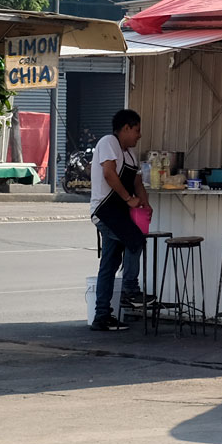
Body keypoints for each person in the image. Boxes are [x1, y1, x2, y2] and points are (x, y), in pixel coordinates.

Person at [89, 109, 150, 333]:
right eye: (136, 130)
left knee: (109, 264)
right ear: (125, 128)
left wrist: (144, 202)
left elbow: (137, 183)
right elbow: (109, 173)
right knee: (135, 241)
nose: (139, 135)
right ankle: (130, 291)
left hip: (119, 213)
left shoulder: (131, 155)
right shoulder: (108, 142)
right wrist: (128, 199)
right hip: (105, 210)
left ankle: (102, 316)